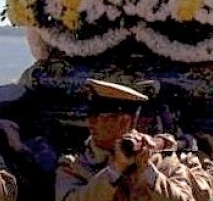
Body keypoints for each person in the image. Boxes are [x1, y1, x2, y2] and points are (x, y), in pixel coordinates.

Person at [55, 78, 194, 200]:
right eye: (91, 115)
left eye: (101, 116)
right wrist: (115, 169)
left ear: (125, 121)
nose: (91, 122)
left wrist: (148, 172)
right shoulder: (75, 166)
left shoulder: (163, 162)